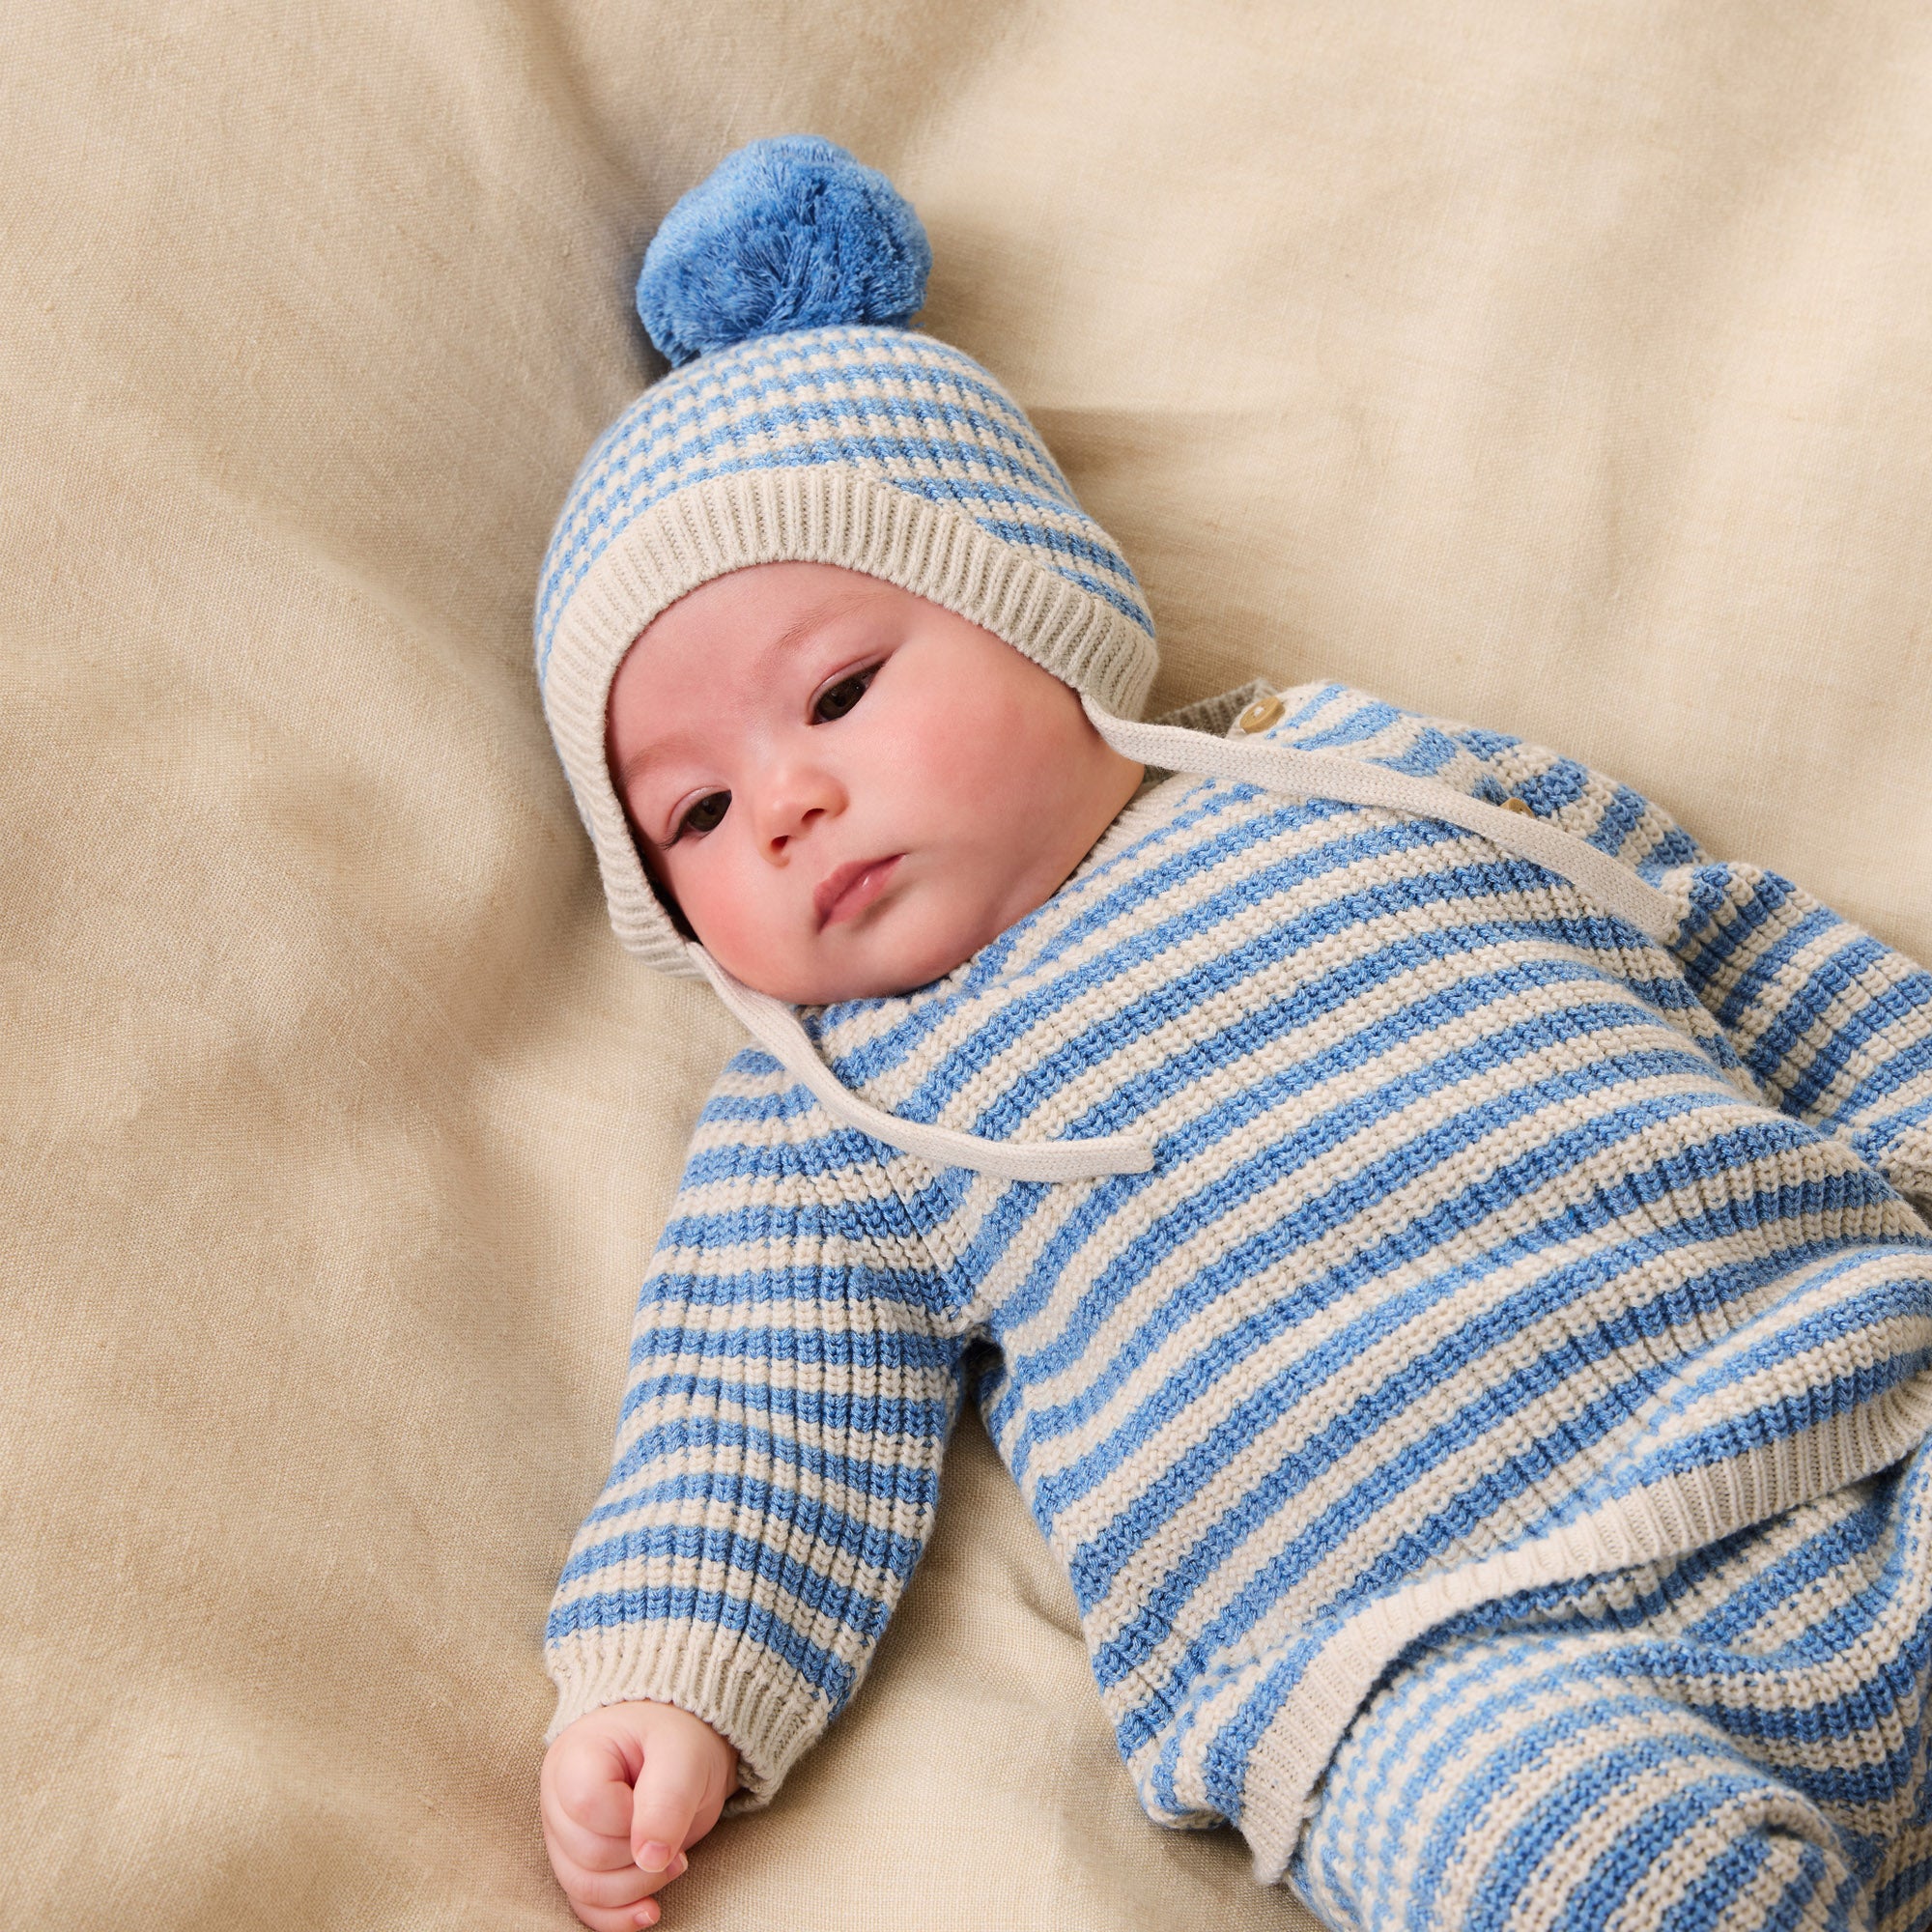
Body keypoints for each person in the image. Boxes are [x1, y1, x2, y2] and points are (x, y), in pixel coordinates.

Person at [531, 137, 1932, 1932]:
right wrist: (665, 1684)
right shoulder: (840, 1106)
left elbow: (1728, 944)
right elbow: (747, 1411)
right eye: (696, 817)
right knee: (1555, 1855)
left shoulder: (1356, 769)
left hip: (1851, 1397)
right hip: (1446, 1669)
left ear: (1030, 600)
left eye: (840, 691)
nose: (787, 800)